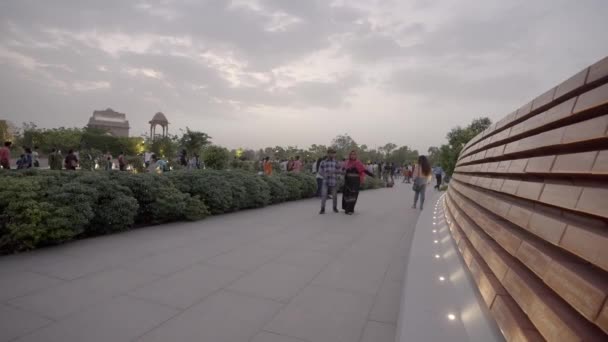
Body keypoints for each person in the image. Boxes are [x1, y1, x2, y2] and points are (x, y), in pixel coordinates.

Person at [342, 150, 374, 215]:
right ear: (349, 155)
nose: (353, 156)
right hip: (348, 180)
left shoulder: (358, 162)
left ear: (356, 155)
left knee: (354, 194)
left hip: (355, 181)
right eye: (351, 154)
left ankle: (349, 209)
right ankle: (347, 208)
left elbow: (364, 170)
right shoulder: (346, 162)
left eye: (354, 154)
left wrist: (372, 175)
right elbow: (342, 170)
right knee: (347, 194)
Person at [319, 149, 340, 214]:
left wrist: (336, 173)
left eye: (333, 153)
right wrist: (324, 175)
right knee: (324, 195)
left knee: (334, 196)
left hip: (333, 180)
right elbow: (320, 171)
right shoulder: (323, 162)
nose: (332, 155)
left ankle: (334, 208)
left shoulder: (336, 162)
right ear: (327, 154)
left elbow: (339, 170)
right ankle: (322, 209)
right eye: (331, 153)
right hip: (325, 181)